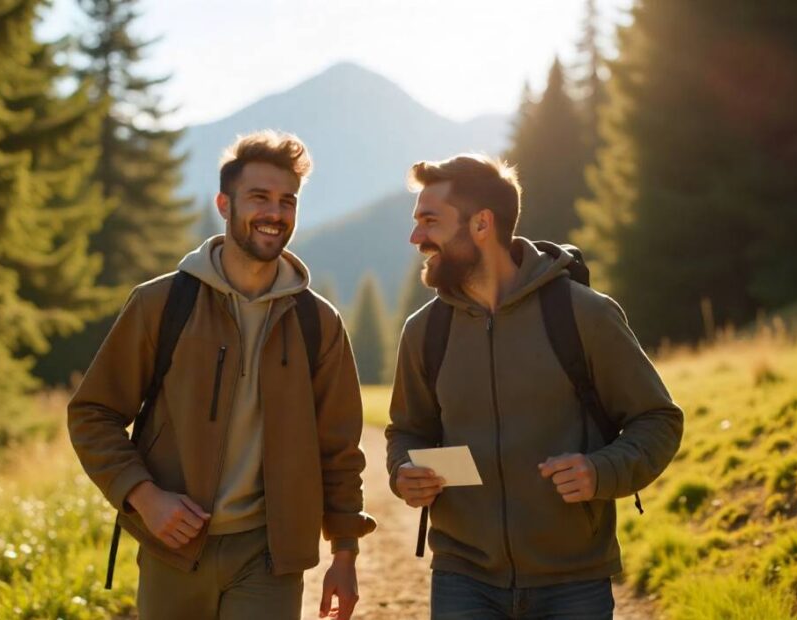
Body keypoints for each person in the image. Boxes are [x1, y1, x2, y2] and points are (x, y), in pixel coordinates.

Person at [69, 130, 375, 620]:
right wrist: (144, 498)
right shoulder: (162, 304)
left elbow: (338, 448)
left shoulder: (318, 323)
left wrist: (345, 552)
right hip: (174, 547)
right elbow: (92, 414)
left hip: (269, 558)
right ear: (224, 204)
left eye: (287, 201)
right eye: (259, 197)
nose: (275, 213)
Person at [385, 154, 683, 619]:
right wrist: (404, 471)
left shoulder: (584, 314)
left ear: (481, 224)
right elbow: (406, 430)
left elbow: (658, 419)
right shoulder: (425, 332)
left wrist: (601, 471)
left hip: (573, 581)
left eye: (429, 221)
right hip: (462, 579)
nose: (416, 237)